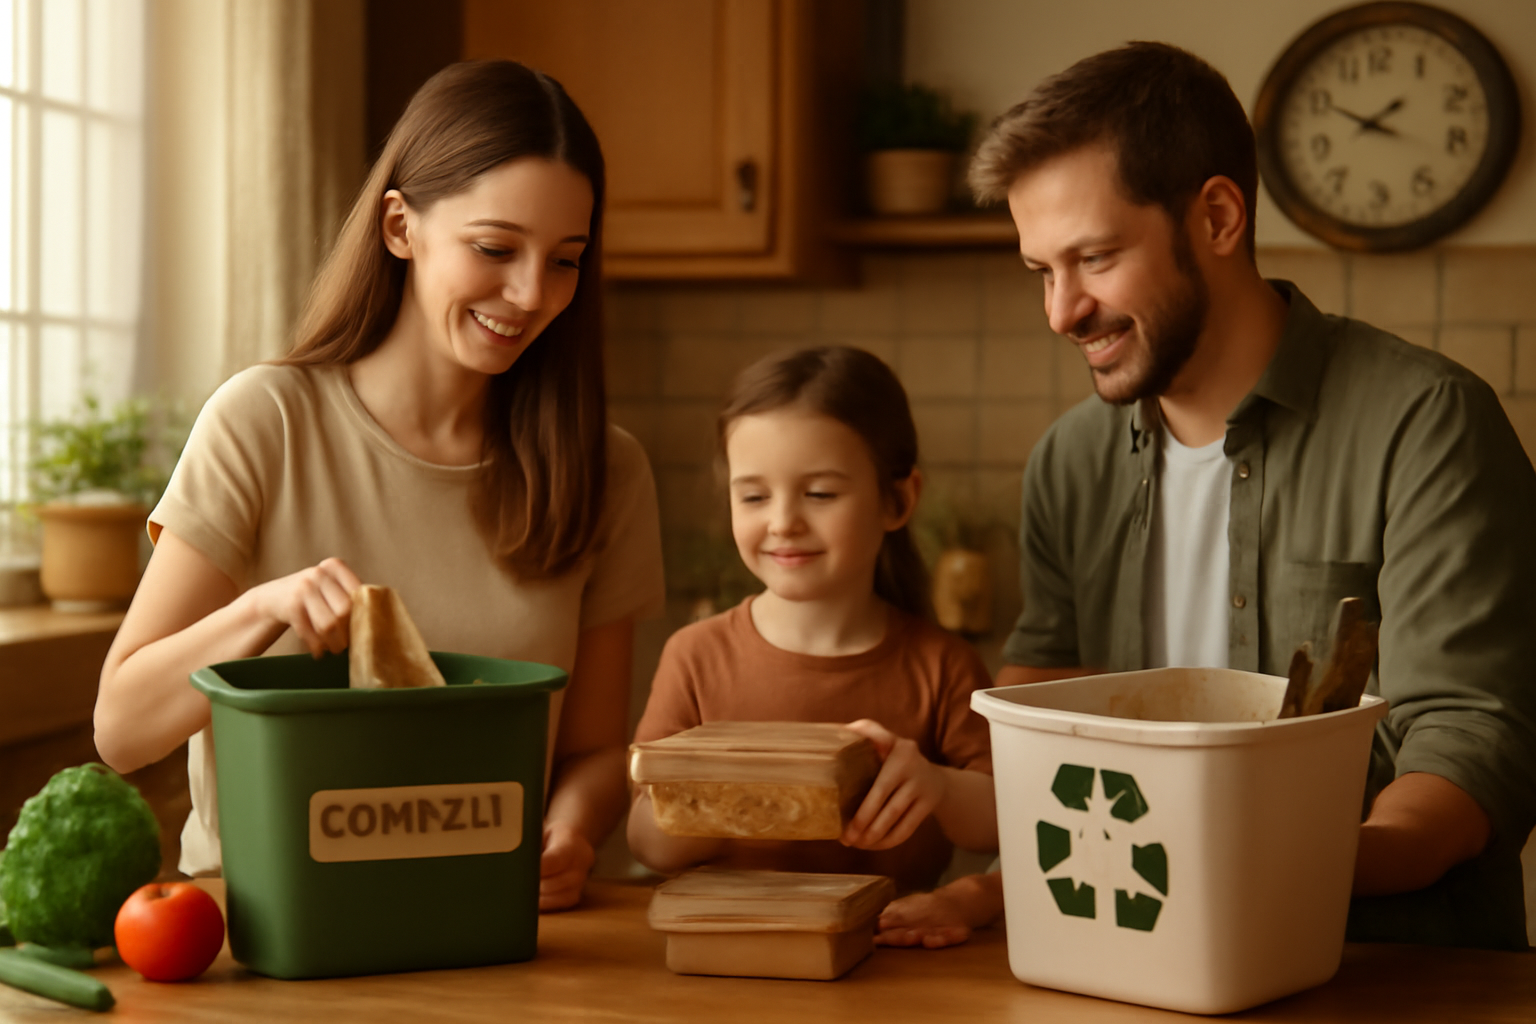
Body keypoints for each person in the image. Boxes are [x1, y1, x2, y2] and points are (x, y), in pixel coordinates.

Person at [878, 41, 1536, 951]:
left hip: (1386, 969)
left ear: (1219, 217)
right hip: (1122, 955)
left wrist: (1283, 863)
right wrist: (992, 886)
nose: (1062, 311)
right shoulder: (1069, 462)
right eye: (1042, 271)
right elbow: (1052, 725)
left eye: (1095, 258)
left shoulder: (1426, 423)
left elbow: (1471, 743)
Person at [93, 60, 664, 912]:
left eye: (565, 260)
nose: (530, 294)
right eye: (495, 248)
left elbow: (588, 753)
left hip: (484, 925)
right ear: (400, 226)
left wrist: (574, 831)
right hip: (268, 932)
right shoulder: (263, 423)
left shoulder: (606, 470)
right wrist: (263, 609)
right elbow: (122, 729)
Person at [627, 347, 997, 891]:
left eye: (820, 493)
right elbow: (646, 841)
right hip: (734, 959)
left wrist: (936, 785)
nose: (782, 522)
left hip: (898, 957)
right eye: (753, 495)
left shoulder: (944, 666)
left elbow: (1002, 822)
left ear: (897, 500)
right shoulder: (695, 655)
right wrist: (731, 792)